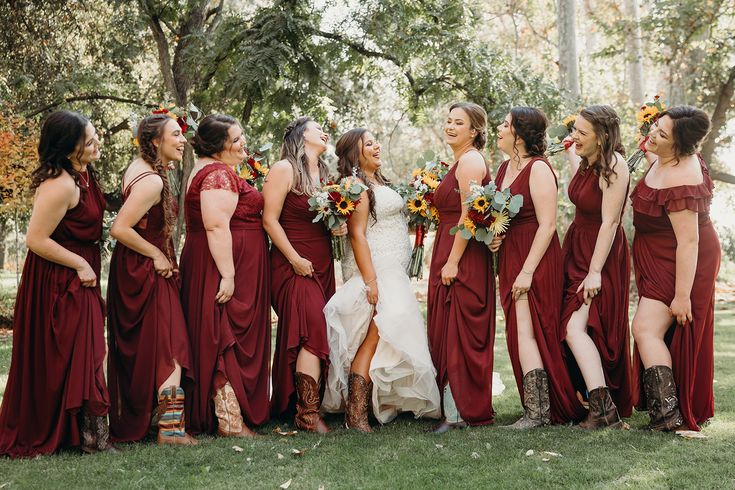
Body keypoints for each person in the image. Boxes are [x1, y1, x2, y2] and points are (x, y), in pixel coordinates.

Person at [0, 111, 114, 456]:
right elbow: (35, 239)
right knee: (86, 348)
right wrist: (80, 263)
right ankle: (91, 436)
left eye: (95, 136)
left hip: (80, 272)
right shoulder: (60, 183)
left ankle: (85, 433)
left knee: (89, 348)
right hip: (56, 278)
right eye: (88, 140)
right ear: (68, 148)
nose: (96, 144)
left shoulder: (85, 175)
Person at [322, 128, 441, 432]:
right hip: (376, 267)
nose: (377, 147)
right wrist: (371, 280)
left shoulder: (379, 181)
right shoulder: (356, 186)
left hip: (393, 268)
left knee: (381, 334)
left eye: (376, 142)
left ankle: (369, 404)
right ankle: (356, 413)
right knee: (377, 333)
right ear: (355, 153)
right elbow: (357, 235)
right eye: (369, 143)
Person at [491, 106, 586, 428]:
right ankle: (536, 407)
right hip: (510, 255)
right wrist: (495, 236)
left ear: (519, 134)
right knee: (519, 331)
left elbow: (547, 225)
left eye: (505, 125)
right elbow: (503, 216)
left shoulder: (540, 169)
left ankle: (539, 412)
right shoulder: (504, 170)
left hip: (536, 257)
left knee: (530, 330)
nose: (499, 129)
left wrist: (528, 272)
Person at [630, 106, 721, 431]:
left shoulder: (682, 175)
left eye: (662, 133)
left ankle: (667, 416)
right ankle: (666, 411)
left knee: (644, 328)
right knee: (649, 329)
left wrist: (682, 297)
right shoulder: (663, 157)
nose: (652, 133)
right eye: (655, 125)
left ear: (680, 146)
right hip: (660, 257)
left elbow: (689, 242)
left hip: (685, 260)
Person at [107, 113, 196, 445]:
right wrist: (158, 255)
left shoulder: (142, 167)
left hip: (136, 265)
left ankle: (160, 421)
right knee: (171, 342)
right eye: (175, 134)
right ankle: (171, 430)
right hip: (146, 268)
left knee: (155, 344)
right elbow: (119, 228)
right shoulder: (152, 180)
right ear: (155, 141)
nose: (182, 139)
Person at [181, 115, 272, 437]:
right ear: (216, 147)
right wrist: (229, 275)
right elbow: (216, 225)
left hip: (225, 261)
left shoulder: (213, 169)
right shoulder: (217, 174)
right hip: (221, 265)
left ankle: (231, 415)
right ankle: (229, 420)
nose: (242, 143)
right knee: (224, 332)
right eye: (235, 140)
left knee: (223, 330)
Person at [264, 117, 345, 433]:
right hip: (291, 264)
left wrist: (335, 226)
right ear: (300, 135)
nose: (324, 131)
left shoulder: (325, 175)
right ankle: (307, 414)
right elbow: (270, 221)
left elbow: (325, 217)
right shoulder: (284, 169)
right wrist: (295, 259)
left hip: (322, 264)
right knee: (311, 327)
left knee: (316, 330)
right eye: (316, 127)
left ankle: (301, 405)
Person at [560, 105, 633, 428]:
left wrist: (594, 272)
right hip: (576, 247)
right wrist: (570, 152)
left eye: (581, 132)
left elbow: (610, 222)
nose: (574, 136)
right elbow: (579, 173)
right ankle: (595, 401)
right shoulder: (588, 161)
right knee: (571, 327)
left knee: (574, 328)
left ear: (602, 137)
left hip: (599, 253)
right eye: (573, 130)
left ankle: (604, 410)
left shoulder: (615, 167)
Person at [427, 102, 496, 433]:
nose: (450, 126)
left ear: (474, 131)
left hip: (462, 253)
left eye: (459, 122)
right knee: (447, 327)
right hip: (449, 244)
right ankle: (450, 409)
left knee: (458, 329)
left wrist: (453, 261)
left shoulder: (469, 160)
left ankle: (458, 413)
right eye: (448, 120)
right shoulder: (459, 160)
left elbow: (470, 215)